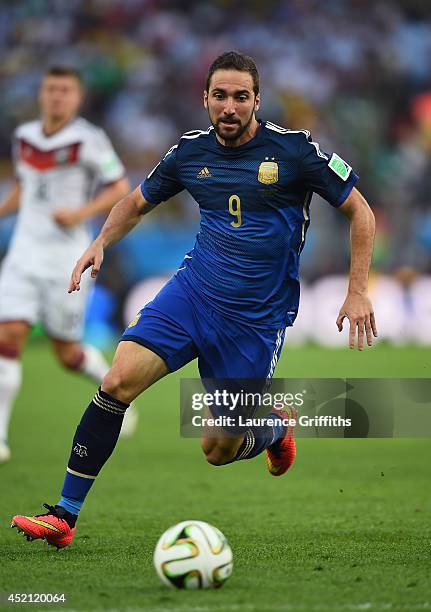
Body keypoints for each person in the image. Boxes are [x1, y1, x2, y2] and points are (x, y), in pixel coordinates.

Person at [11, 52, 377, 549]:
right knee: (116, 380)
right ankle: (64, 515)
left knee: (218, 449)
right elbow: (136, 201)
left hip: (254, 320)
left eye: (241, 97)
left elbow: (361, 212)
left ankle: (272, 429)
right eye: (220, 96)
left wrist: (357, 290)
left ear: (256, 101)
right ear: (204, 99)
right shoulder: (189, 152)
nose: (230, 107)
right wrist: (100, 240)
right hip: (192, 294)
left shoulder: (294, 152)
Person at [0, 66, 137, 465]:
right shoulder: (24, 137)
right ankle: (1, 438)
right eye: (51, 89)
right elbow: (27, 188)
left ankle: (113, 390)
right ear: (42, 94)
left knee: (67, 353)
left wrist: (80, 213)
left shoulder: (89, 140)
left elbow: (118, 186)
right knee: (8, 337)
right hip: (24, 253)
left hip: (67, 258)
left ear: (76, 99)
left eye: (65, 90)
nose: (57, 96)